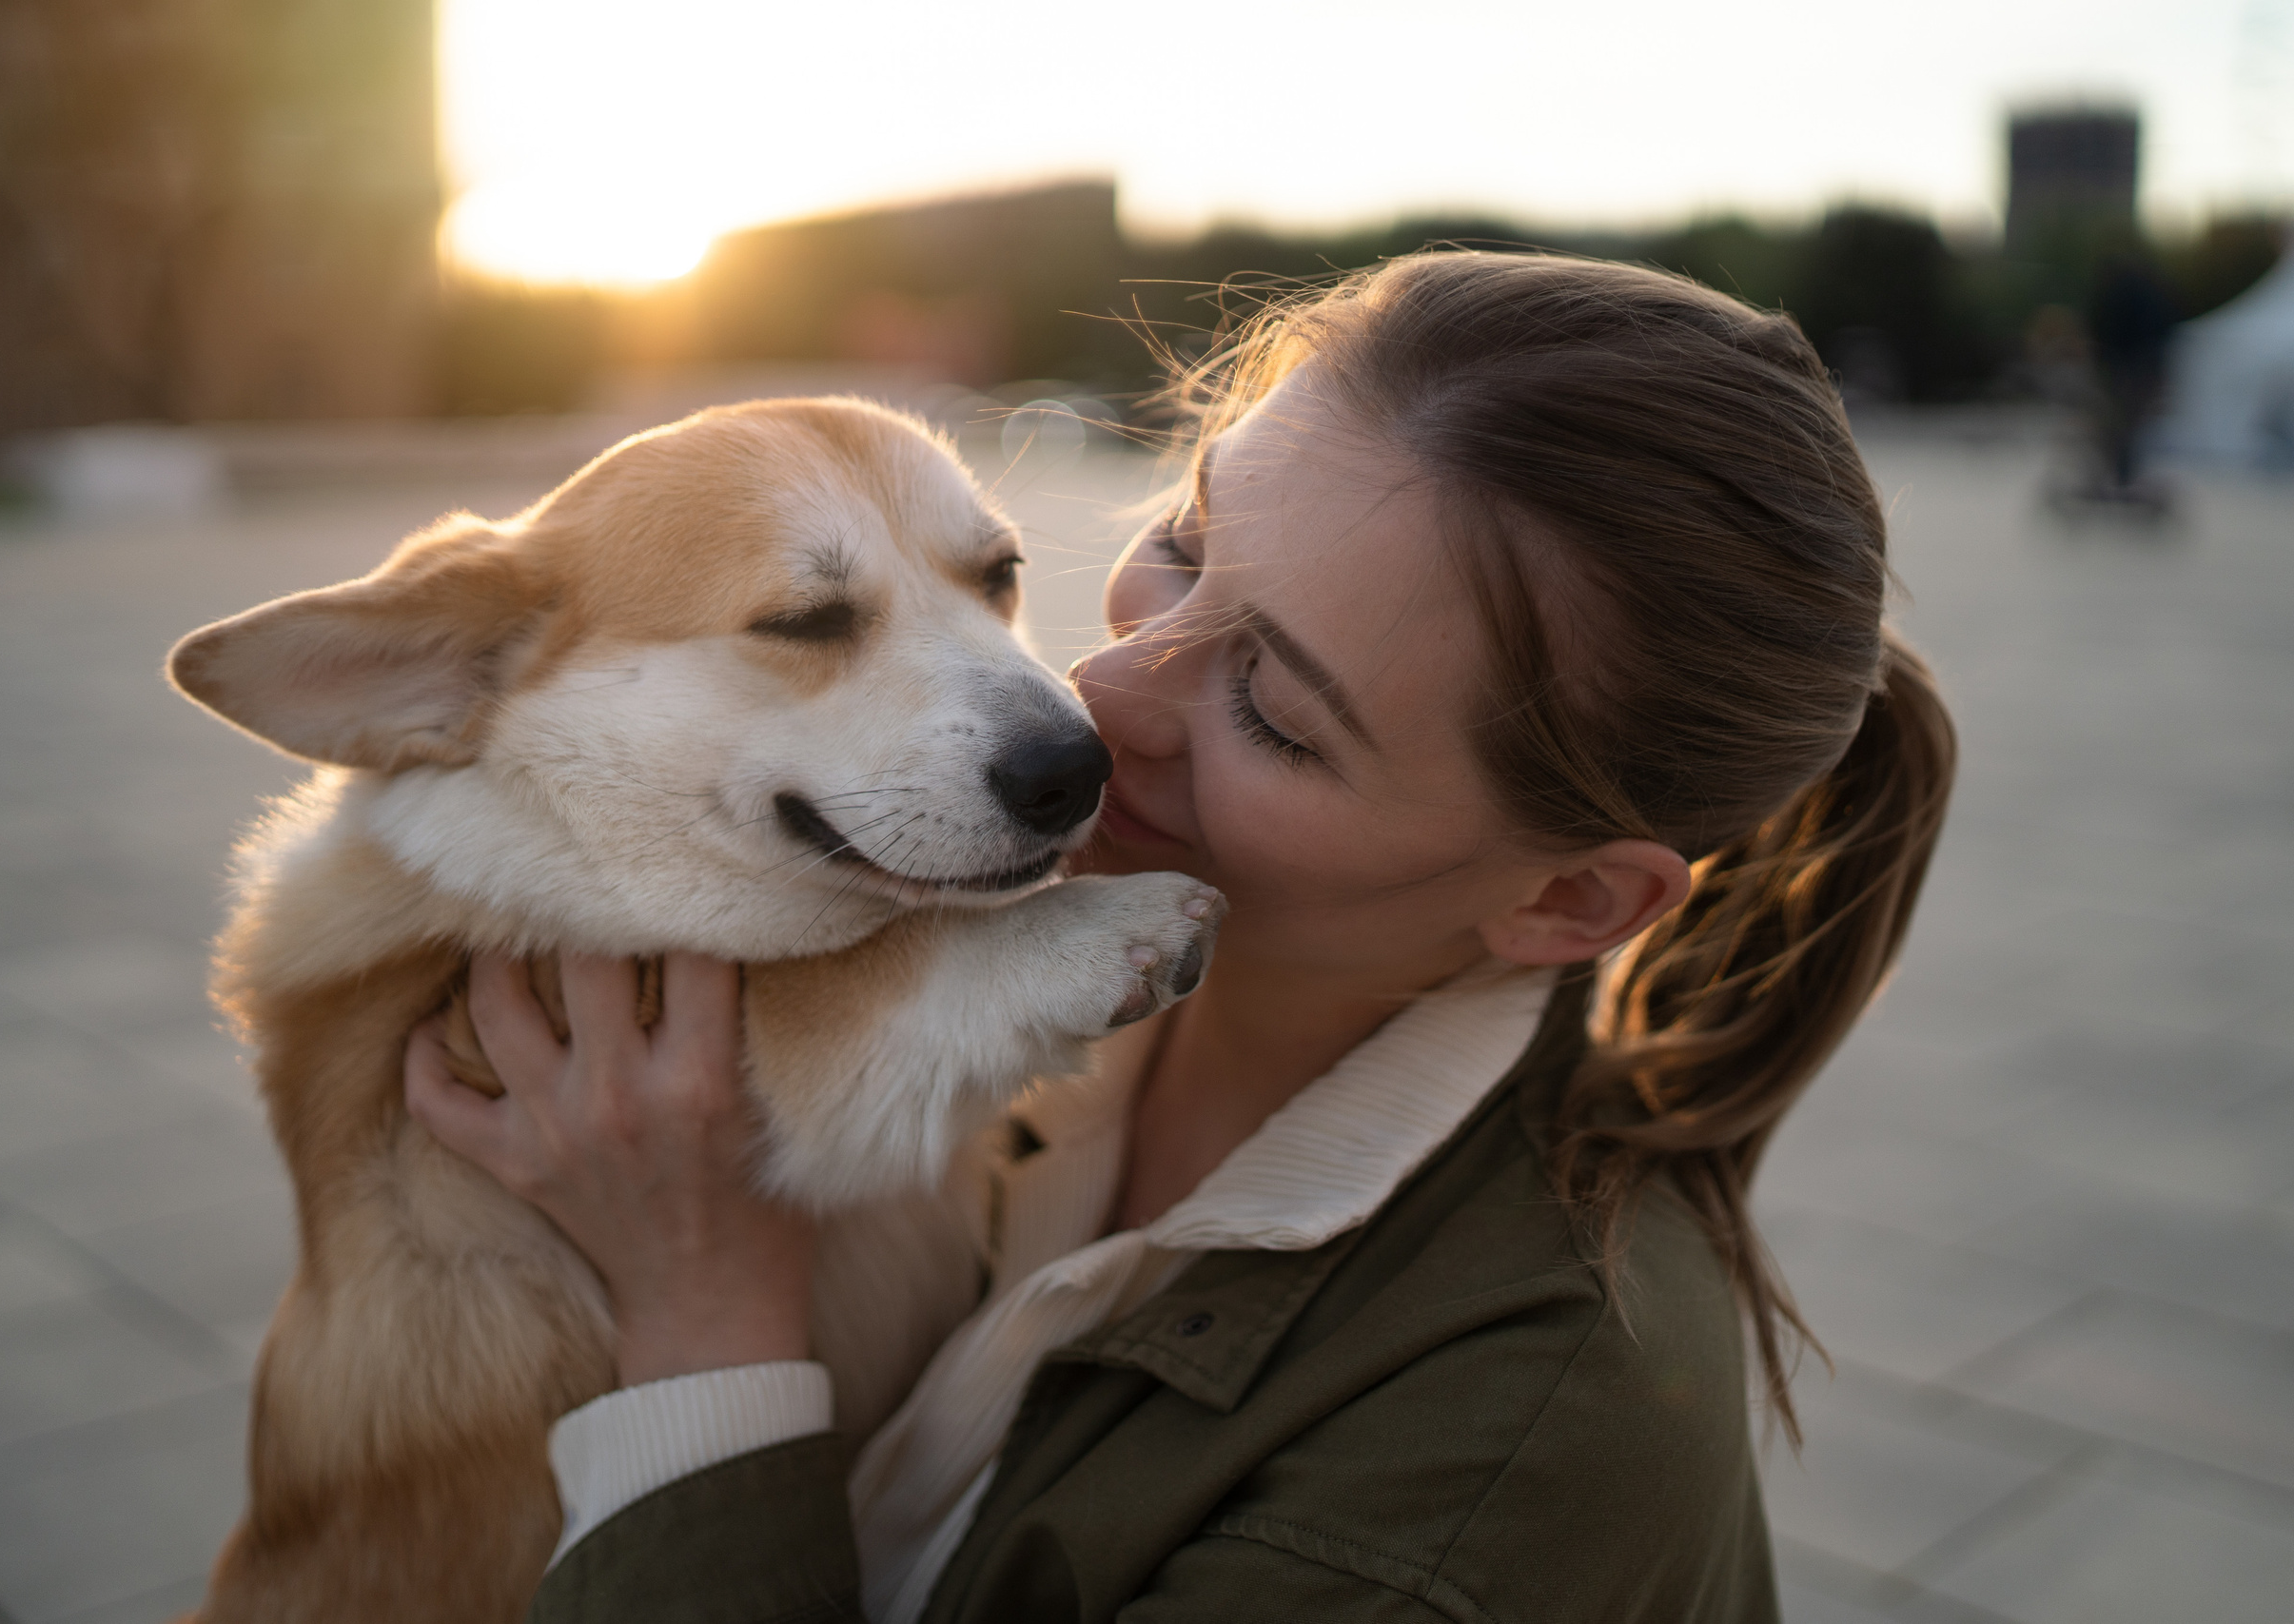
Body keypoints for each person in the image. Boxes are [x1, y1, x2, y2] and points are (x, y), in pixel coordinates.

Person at [404, 251, 1957, 1623]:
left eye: (1278, 716)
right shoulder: (997, 965)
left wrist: (704, 1328)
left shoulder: (1503, 1468)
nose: (1104, 697)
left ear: (1569, 903)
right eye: (1185, 545)